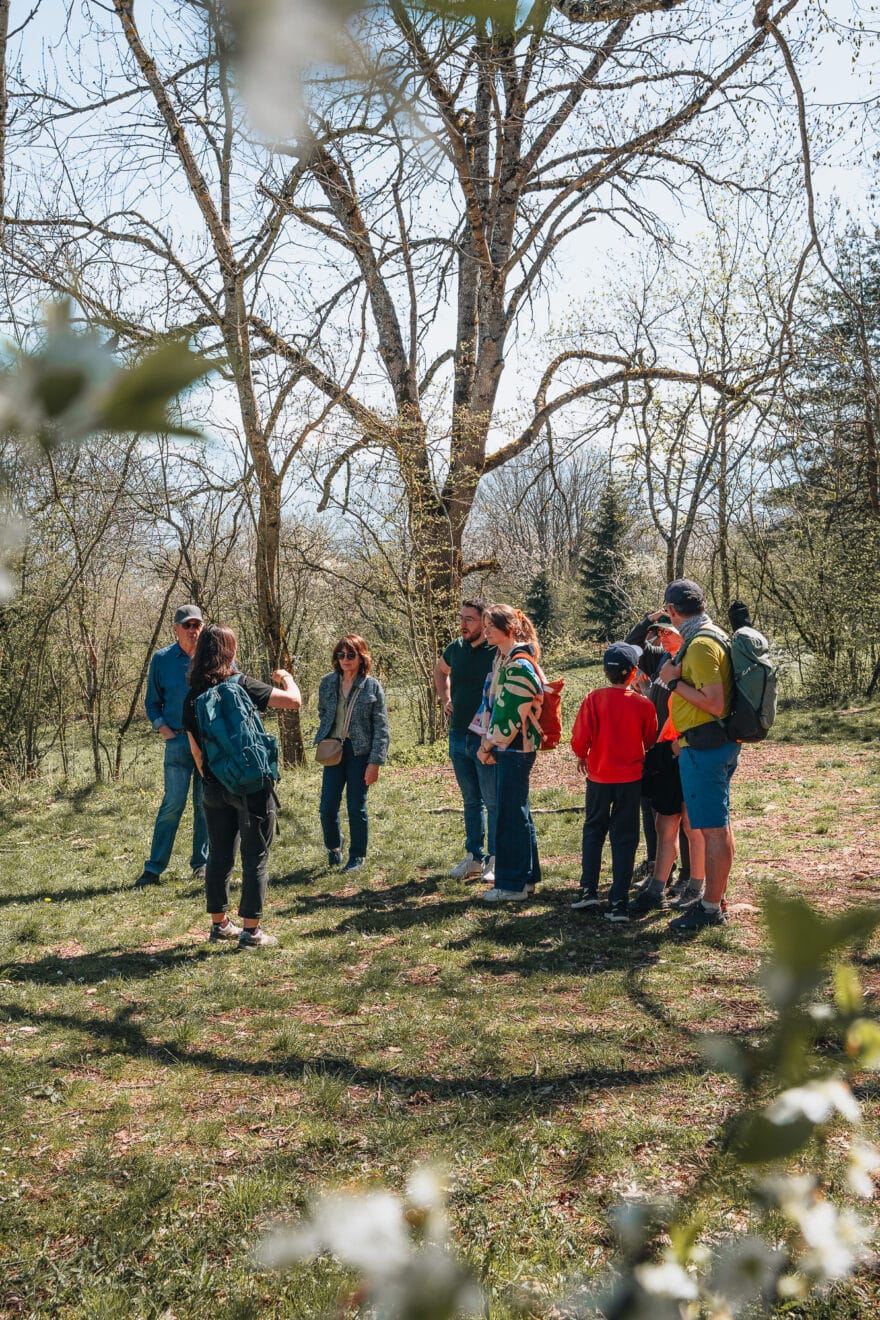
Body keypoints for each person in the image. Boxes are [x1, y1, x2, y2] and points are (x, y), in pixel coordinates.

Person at [183, 624, 301, 948]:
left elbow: (195, 750)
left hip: (214, 787)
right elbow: (293, 702)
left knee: (219, 855)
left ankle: (220, 925)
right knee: (255, 856)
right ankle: (252, 931)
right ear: (229, 652)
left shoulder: (192, 697)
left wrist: (212, 779)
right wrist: (286, 678)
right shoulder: (243, 684)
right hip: (251, 786)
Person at [659, 578, 739, 933]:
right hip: (703, 744)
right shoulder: (703, 637)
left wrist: (674, 682)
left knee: (713, 829)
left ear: (673, 611)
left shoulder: (702, 645)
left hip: (706, 747)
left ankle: (709, 907)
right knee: (712, 825)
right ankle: (713, 898)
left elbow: (714, 702)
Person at [570, 642, 658, 923]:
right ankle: (618, 900)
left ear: (606, 672)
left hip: (598, 776)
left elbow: (580, 737)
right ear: (633, 673)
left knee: (593, 830)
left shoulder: (593, 699)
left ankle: (588, 890)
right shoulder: (644, 705)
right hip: (631, 779)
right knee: (625, 837)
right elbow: (650, 740)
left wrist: (582, 753)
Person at [629, 616, 706, 915]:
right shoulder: (666, 660)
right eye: (658, 631)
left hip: (684, 749)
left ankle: (693, 885)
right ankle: (657, 888)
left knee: (690, 823)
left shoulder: (691, 661)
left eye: (666, 630)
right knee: (665, 821)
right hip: (666, 751)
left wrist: (678, 744)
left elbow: (701, 706)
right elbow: (630, 645)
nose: (660, 636)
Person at [135, 604, 209, 889]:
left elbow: (233, 685)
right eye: (187, 625)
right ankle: (153, 869)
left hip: (208, 743)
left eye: (197, 625)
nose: (193, 630)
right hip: (178, 742)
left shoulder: (212, 656)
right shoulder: (162, 659)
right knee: (172, 804)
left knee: (206, 805)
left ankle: (201, 864)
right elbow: (152, 703)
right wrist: (165, 731)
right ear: (175, 628)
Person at [476, 605, 543, 902]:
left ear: (510, 628)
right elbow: (490, 703)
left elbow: (509, 714)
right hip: (507, 747)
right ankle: (526, 878)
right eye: (485, 625)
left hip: (516, 748)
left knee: (509, 816)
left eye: (491, 625)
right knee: (518, 812)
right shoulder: (500, 659)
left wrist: (489, 744)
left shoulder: (518, 663)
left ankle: (511, 885)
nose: (486, 630)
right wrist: (486, 740)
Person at [433, 599, 498, 883]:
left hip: (486, 736)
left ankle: (495, 859)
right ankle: (474, 857)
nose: (463, 624)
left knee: (493, 801)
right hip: (458, 735)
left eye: (470, 619)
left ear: (484, 622)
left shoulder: (495, 650)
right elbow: (439, 671)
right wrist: (445, 698)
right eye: (462, 618)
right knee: (471, 800)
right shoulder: (455, 648)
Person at [314, 636, 390, 873]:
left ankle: (357, 856)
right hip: (334, 749)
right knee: (327, 806)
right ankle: (334, 847)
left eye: (350, 655)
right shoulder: (327, 682)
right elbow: (323, 712)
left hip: (360, 752)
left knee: (356, 806)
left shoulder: (371, 686)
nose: (345, 659)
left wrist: (375, 762)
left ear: (361, 657)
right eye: (341, 655)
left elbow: (381, 727)